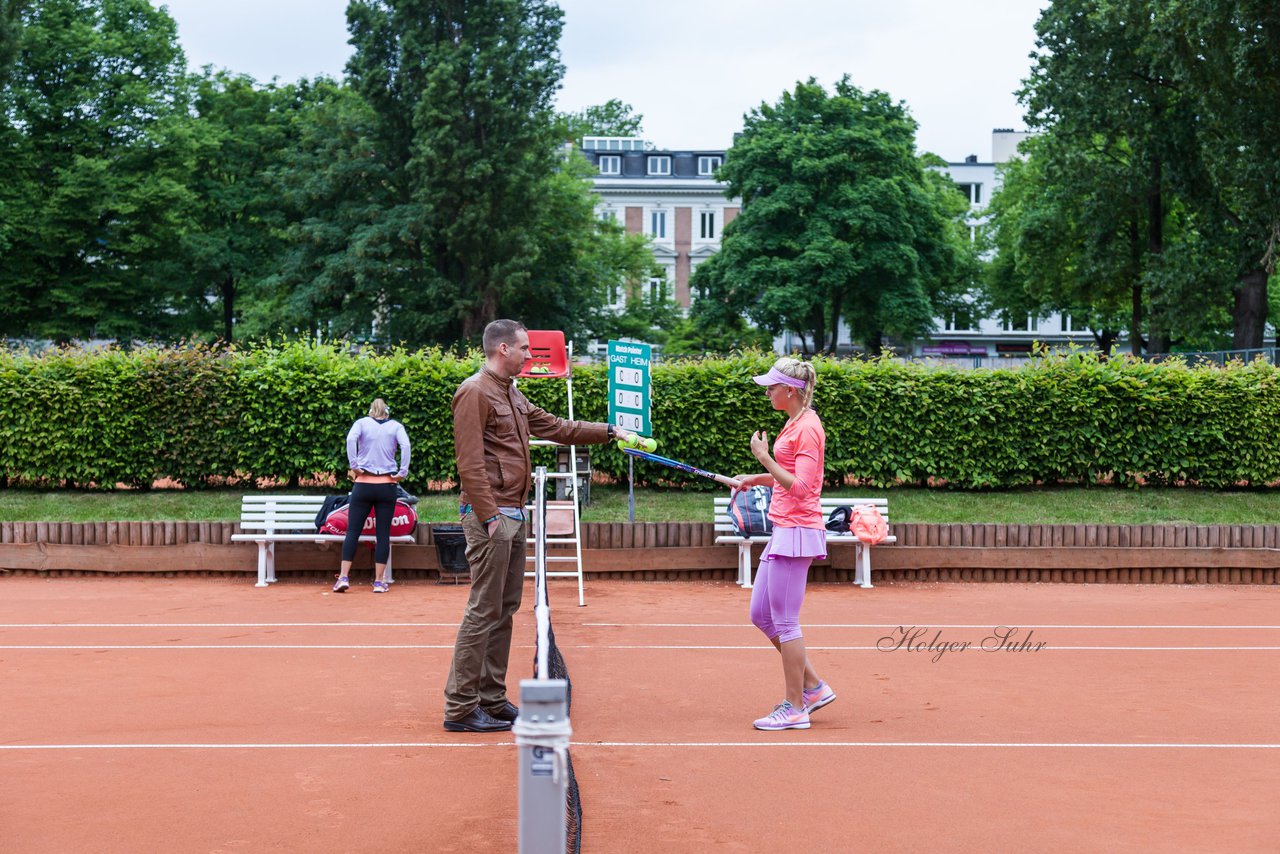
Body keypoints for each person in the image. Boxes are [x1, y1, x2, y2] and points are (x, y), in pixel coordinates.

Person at [444, 320, 637, 733]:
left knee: (504, 610)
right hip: (491, 516)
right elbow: (470, 464)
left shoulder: (511, 392)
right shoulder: (474, 392)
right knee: (483, 609)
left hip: (513, 513)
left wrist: (609, 431)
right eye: (524, 349)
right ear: (501, 350)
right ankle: (460, 707)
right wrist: (490, 517)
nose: (530, 356)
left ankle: (491, 699)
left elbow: (556, 427)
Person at [733, 357, 836, 731]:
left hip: (798, 531)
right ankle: (813, 687)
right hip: (784, 527)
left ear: (790, 390)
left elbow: (805, 487)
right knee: (761, 614)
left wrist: (762, 457)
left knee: (786, 620)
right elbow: (786, 477)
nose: (767, 392)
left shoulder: (808, 427)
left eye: (772, 386)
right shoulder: (793, 423)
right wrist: (755, 477)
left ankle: (795, 706)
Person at [333, 398, 410, 594]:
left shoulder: (361, 423)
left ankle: (343, 577)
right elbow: (406, 446)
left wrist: (354, 466)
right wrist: (402, 472)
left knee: (353, 532)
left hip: (363, 484)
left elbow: (351, 439)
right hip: (387, 485)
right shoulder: (396, 426)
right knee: (382, 534)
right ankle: (378, 581)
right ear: (387, 412)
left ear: (370, 411)